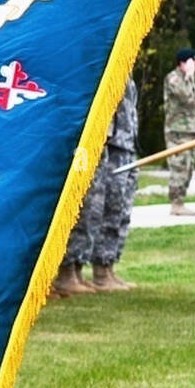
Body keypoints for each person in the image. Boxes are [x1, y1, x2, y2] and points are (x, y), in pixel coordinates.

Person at [53, 77, 139, 295]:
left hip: (115, 141)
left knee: (101, 209)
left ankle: (90, 269)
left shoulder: (123, 67)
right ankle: (68, 271)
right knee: (86, 206)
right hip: (97, 139)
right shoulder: (97, 61)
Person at [162, 48, 195, 215]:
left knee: (189, 166)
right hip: (177, 131)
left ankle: (180, 202)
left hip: (189, 130)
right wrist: (189, 76)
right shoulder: (174, 79)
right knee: (179, 166)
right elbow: (187, 99)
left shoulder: (188, 80)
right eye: (193, 60)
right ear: (183, 63)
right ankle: (176, 203)